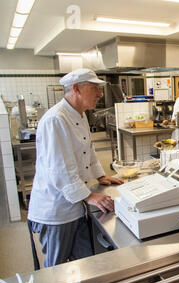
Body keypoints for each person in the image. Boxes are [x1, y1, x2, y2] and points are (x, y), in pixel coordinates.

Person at [28, 68, 123, 268]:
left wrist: (100, 175)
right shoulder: (56, 119)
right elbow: (59, 169)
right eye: (94, 88)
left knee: (85, 262)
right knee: (56, 270)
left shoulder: (79, 114)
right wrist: (89, 196)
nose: (99, 94)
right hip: (56, 210)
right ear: (75, 89)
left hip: (75, 205)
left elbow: (88, 149)